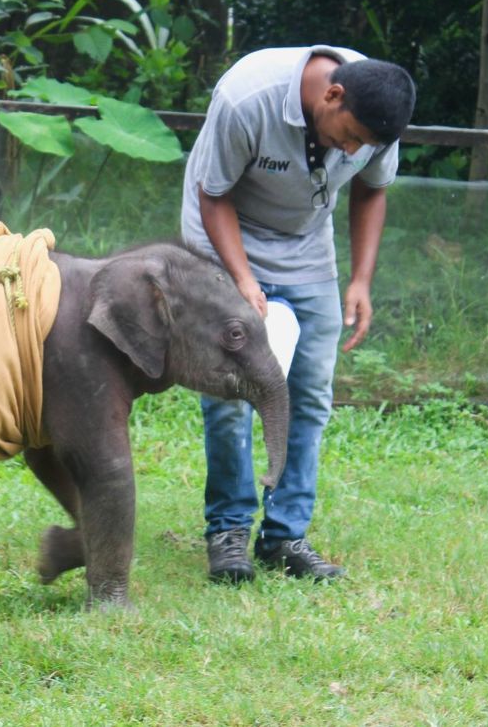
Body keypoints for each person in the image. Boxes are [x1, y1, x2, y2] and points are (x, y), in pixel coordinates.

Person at [181, 46, 416, 582]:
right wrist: (242, 280)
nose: (352, 149)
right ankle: (229, 532)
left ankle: (284, 537)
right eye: (349, 136)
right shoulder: (247, 98)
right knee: (230, 389)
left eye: (363, 145)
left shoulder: (379, 113)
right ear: (332, 95)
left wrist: (360, 280)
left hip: (305, 247)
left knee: (309, 391)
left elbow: (371, 190)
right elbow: (212, 194)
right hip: (223, 235)